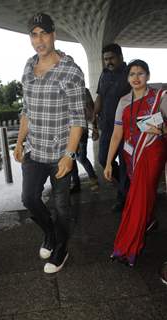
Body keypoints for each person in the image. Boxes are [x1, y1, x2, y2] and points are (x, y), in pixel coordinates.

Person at [13, 13, 86, 273]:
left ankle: (61, 249)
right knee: (29, 198)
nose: (39, 39)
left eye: (43, 33)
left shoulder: (71, 72)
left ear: (54, 34)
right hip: (34, 149)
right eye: (34, 34)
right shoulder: (28, 66)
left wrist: (69, 154)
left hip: (59, 153)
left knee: (61, 206)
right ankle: (51, 233)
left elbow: (78, 119)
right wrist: (20, 142)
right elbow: (27, 110)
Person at [104, 59, 167, 267]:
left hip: (152, 152)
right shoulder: (123, 101)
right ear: (128, 78)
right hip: (130, 155)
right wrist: (108, 162)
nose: (136, 78)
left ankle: (128, 248)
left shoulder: (159, 97)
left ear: (148, 76)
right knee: (142, 196)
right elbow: (116, 134)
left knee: (137, 198)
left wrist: (161, 130)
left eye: (141, 73)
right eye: (132, 74)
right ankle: (147, 222)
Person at [94, 43, 130, 211]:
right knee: (103, 159)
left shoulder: (129, 73)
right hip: (107, 127)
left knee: (124, 164)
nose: (108, 62)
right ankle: (124, 187)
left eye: (111, 58)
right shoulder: (104, 74)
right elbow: (99, 97)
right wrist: (94, 120)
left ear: (120, 56)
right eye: (105, 59)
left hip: (126, 128)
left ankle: (123, 197)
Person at [70, 88, 99, 193]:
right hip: (68, 131)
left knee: (81, 157)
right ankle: (76, 183)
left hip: (82, 130)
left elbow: (91, 110)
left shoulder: (84, 91)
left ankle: (93, 178)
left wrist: (95, 128)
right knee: (71, 158)